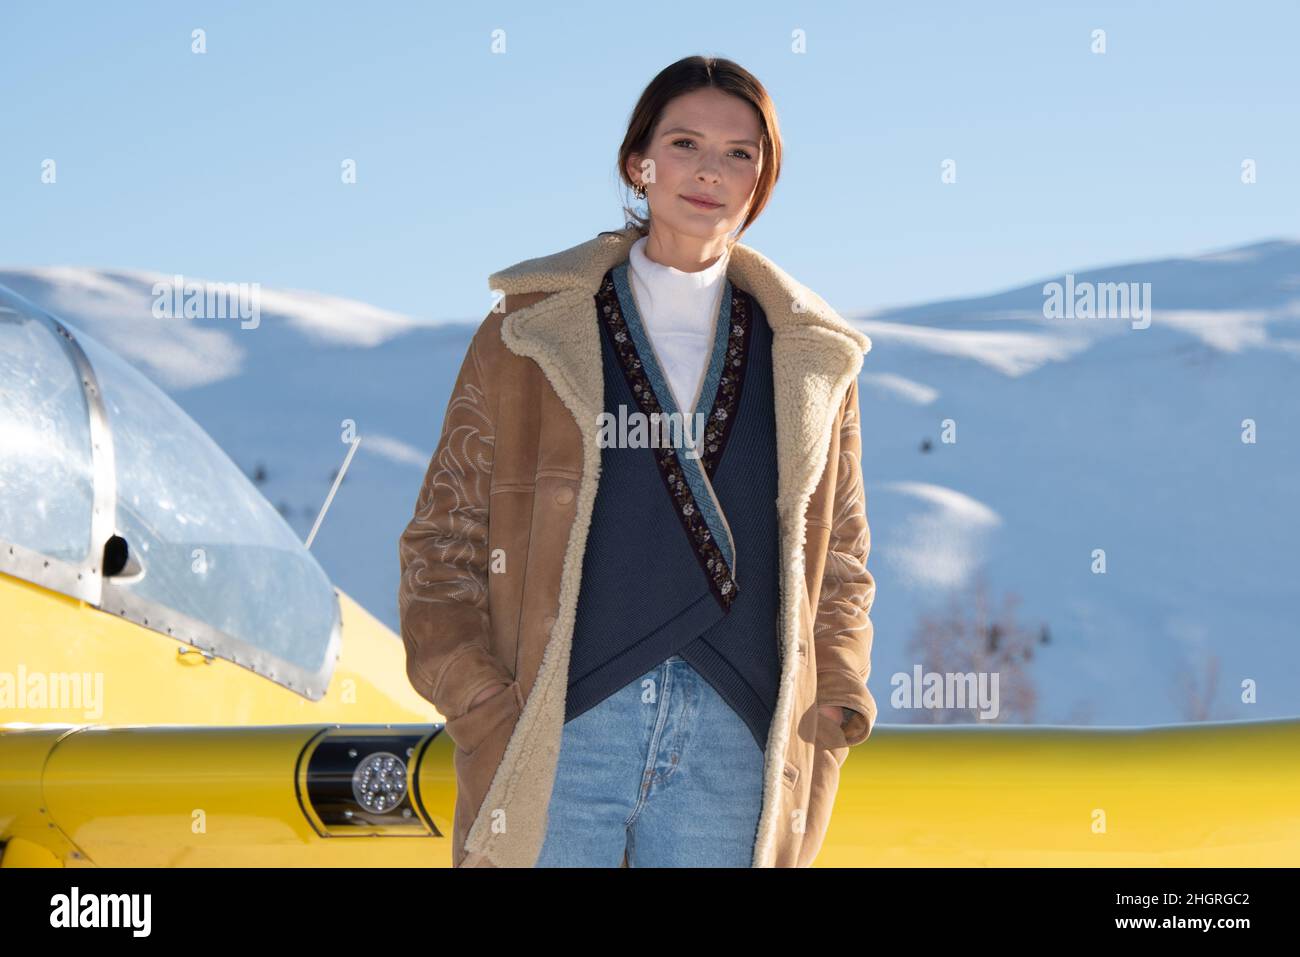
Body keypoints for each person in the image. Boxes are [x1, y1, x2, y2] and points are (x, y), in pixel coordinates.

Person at [398, 55, 878, 868]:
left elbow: (841, 564)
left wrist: (829, 711)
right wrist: (483, 700)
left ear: (762, 180)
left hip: (736, 739)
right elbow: (441, 541)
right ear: (638, 162)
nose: (710, 172)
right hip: (561, 730)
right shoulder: (526, 335)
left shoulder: (812, 360)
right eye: (685, 143)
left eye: (740, 154)